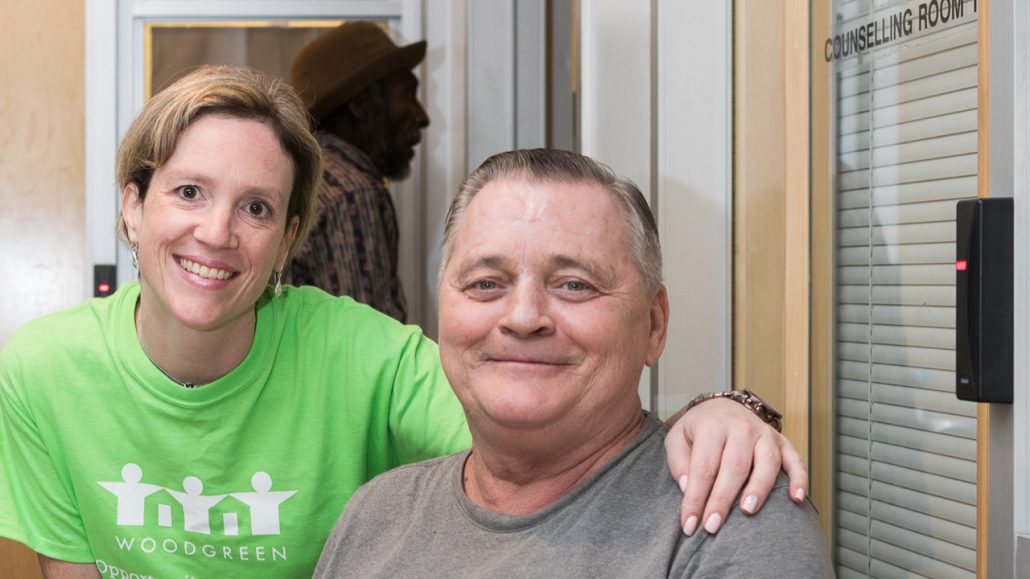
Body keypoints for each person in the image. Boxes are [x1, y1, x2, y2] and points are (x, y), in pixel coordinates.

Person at [0, 66, 802, 579]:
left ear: (288, 242)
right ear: (131, 207)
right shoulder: (41, 369)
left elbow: (546, 419)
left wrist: (726, 409)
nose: (216, 232)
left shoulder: (359, 354)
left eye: (256, 207)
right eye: (186, 193)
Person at [314, 149, 833, 578]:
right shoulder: (375, 516)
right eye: (486, 283)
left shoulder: (731, 521)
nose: (522, 317)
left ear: (654, 325)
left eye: (574, 285)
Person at [286, 21, 429, 321]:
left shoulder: (305, 177)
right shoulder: (352, 195)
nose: (421, 116)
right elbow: (370, 348)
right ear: (362, 107)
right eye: (408, 95)